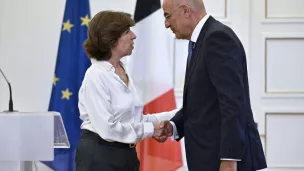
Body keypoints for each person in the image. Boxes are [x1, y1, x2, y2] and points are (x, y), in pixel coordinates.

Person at [157, 0, 268, 171]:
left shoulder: (217, 38)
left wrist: (229, 160)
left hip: (222, 161)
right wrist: (173, 126)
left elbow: (232, 103)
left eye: (167, 16)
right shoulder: (202, 40)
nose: (166, 24)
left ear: (185, 11)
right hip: (208, 159)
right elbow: (203, 103)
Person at [75, 10, 177, 171]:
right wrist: (151, 130)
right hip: (100, 156)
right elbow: (108, 129)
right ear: (110, 39)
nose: (133, 35)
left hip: (126, 154)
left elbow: (133, 120)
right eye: (126, 31)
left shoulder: (123, 70)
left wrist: (177, 115)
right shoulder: (95, 76)